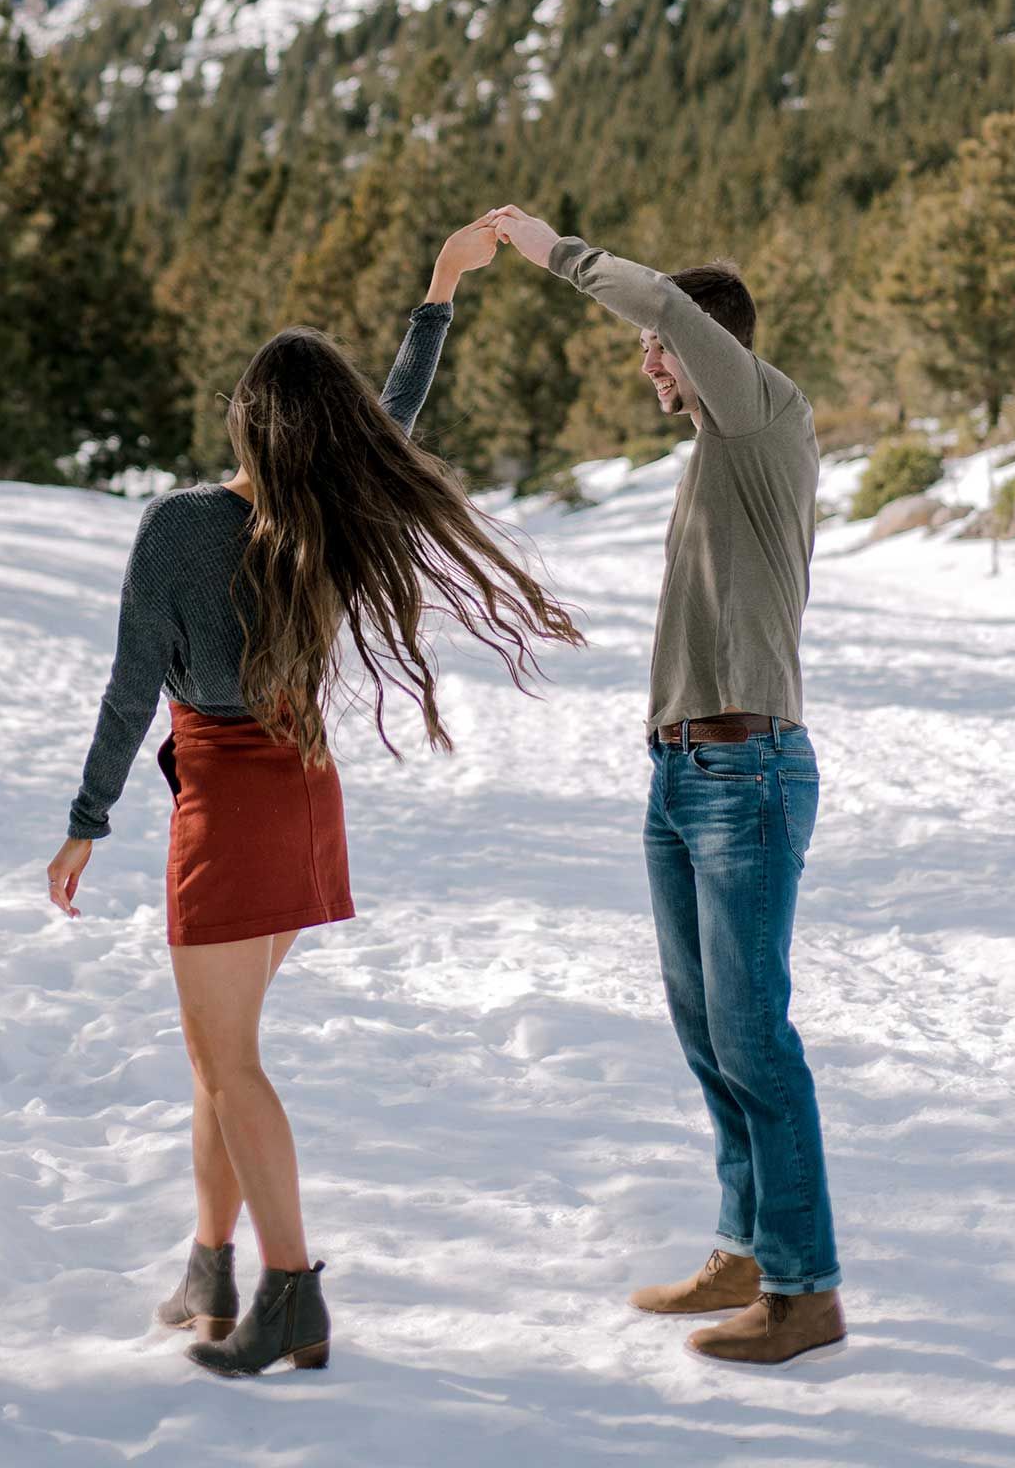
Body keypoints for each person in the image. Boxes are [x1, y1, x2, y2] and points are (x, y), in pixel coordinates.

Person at [46, 218, 583, 1377]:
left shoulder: (180, 524)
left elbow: (129, 689)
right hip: (303, 798)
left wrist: (87, 822)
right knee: (217, 1058)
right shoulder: (326, 515)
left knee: (228, 1061)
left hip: (228, 815)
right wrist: (436, 292)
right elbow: (395, 417)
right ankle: (210, 1266)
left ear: (244, 418)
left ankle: (290, 1292)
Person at [487, 206, 845, 1367]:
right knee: (707, 1033)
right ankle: (744, 1252)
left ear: (699, 349)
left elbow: (669, 311)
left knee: (754, 1037)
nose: (646, 363)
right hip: (685, 769)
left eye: (656, 350)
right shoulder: (717, 448)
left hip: (744, 772)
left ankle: (804, 1291)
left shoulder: (759, 412)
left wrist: (548, 248)